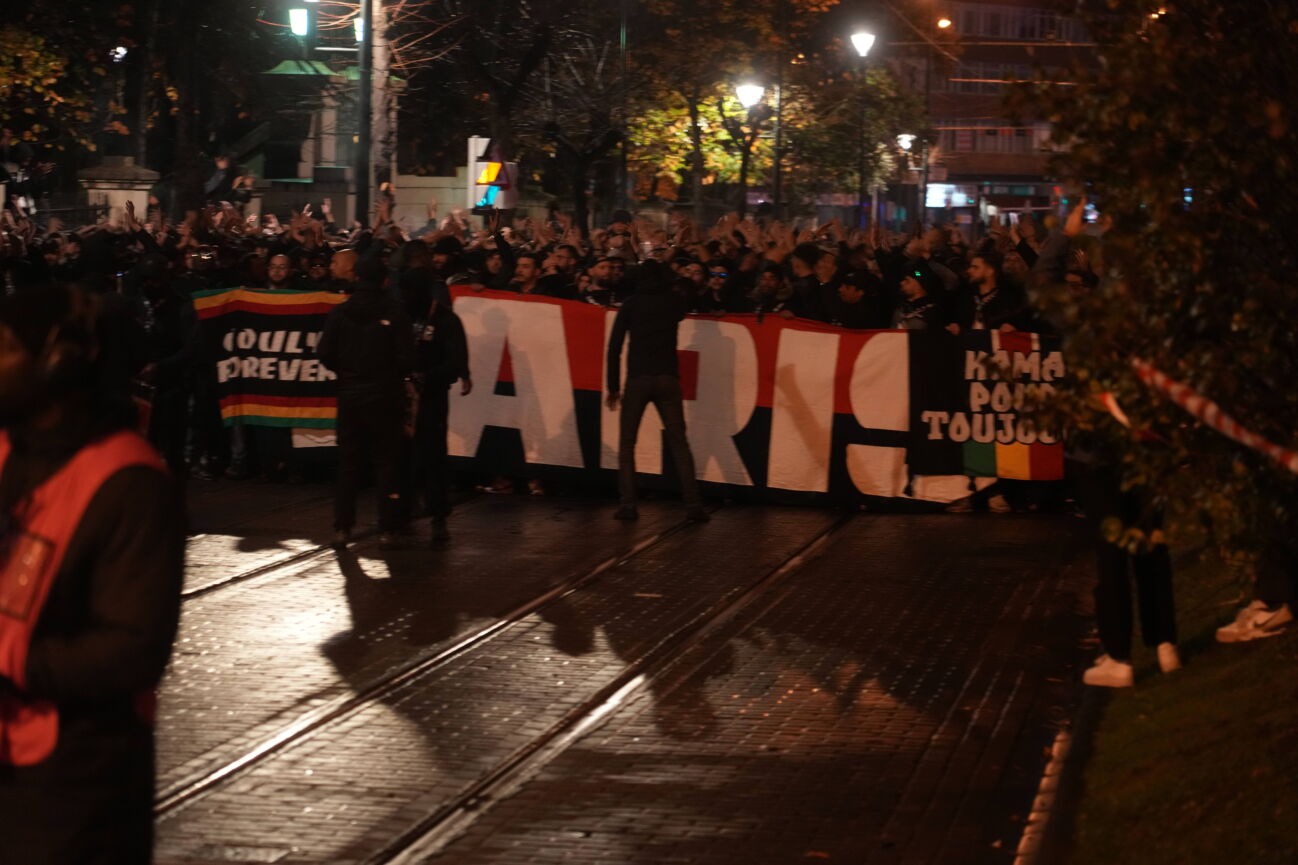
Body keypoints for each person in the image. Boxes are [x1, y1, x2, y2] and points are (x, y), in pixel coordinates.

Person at [0, 284, 185, 863]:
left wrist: (10, 657)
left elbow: (133, 651)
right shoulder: (8, 449)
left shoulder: (129, 481)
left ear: (56, 361)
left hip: (74, 791)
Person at [317, 256, 414, 549]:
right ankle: (387, 526)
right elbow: (408, 357)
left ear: (356, 278)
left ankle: (342, 527)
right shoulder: (395, 313)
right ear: (384, 281)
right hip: (384, 395)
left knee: (348, 463)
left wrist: (346, 372)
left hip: (350, 394)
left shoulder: (340, 313)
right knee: (386, 462)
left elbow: (324, 353)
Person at [605, 261, 708, 523]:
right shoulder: (673, 302)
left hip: (638, 378)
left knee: (627, 443)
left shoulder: (631, 304)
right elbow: (687, 296)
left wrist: (613, 386)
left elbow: (614, 347)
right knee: (679, 443)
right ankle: (693, 505)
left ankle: (628, 505)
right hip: (667, 378)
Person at [408, 283, 472, 545]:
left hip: (433, 396)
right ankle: (408, 506)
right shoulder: (409, 315)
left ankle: (438, 516)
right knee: (407, 452)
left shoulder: (447, 321)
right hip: (408, 394)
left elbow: (455, 360)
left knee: (434, 455)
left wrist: (428, 378)